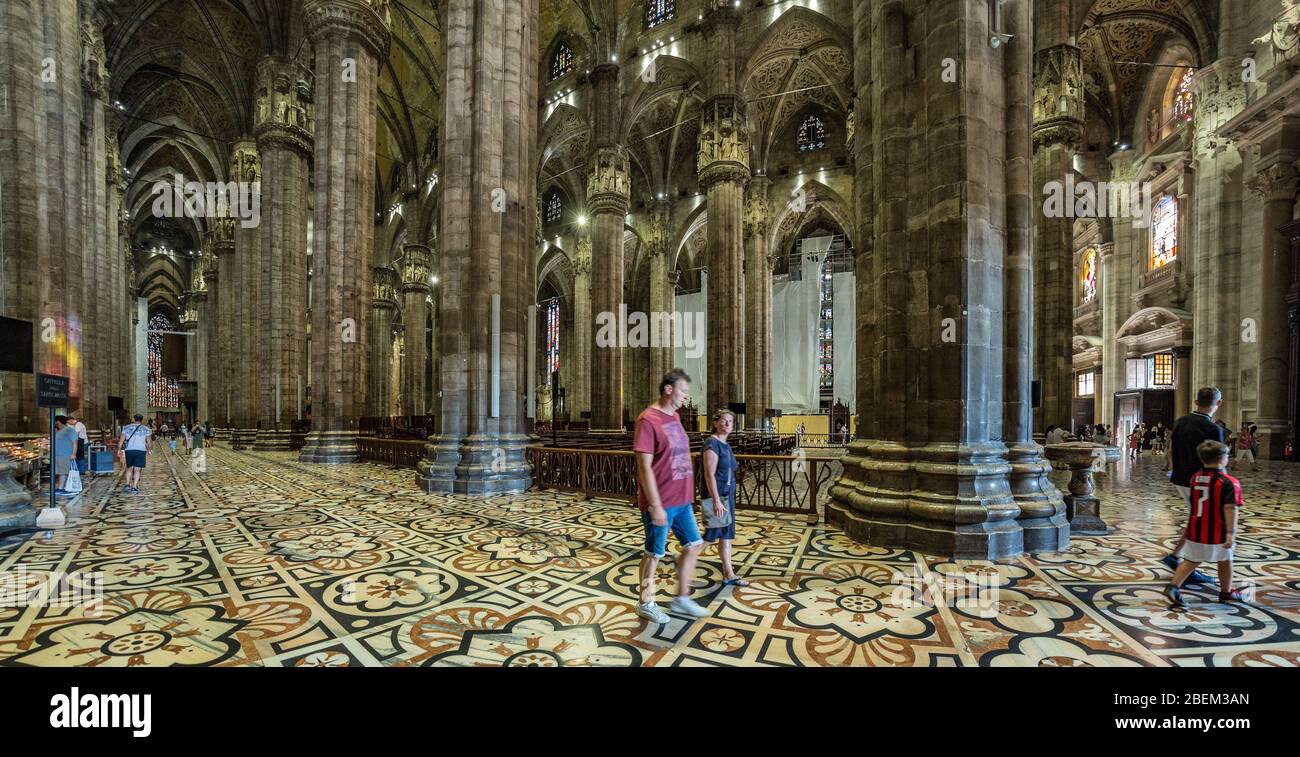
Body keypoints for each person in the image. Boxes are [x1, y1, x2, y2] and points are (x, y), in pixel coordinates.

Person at [632, 368, 710, 624]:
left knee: (694, 545)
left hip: (681, 500)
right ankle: (646, 602)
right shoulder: (648, 420)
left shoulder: (675, 417)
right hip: (661, 502)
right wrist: (654, 505)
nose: (687, 396)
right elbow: (644, 466)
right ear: (668, 390)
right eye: (683, 390)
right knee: (654, 554)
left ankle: (682, 597)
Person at [1164, 441, 1249, 608]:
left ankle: (1173, 587)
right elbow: (1231, 508)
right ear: (1222, 459)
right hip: (1217, 531)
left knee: (1190, 560)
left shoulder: (1196, 477)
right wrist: (1230, 533)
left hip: (1196, 528)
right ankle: (1226, 592)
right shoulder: (1229, 482)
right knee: (1226, 560)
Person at [1164, 387, 1227, 585]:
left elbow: (1172, 449)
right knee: (1202, 522)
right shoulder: (1213, 429)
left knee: (1195, 518)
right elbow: (1218, 459)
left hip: (1181, 478)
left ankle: (1175, 555)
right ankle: (1187, 564)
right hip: (1203, 483)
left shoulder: (1181, 421)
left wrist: (1172, 469)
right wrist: (1225, 485)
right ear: (1218, 403)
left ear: (1195, 400)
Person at [701, 408, 748, 589]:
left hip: (726, 497)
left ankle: (729, 574)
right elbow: (709, 475)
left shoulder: (725, 445)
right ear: (715, 423)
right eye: (724, 420)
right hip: (717, 497)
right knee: (710, 537)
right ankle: (684, 561)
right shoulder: (711, 444)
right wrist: (716, 500)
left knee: (726, 537)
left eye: (731, 421)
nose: (728, 423)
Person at [118, 413, 152, 494]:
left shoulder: (126, 428)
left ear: (134, 419)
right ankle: (134, 486)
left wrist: (119, 450)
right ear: (142, 419)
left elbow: (121, 440)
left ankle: (127, 485)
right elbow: (149, 442)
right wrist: (150, 449)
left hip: (129, 450)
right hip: (140, 450)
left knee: (129, 468)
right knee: (137, 469)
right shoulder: (146, 429)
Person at [51, 415, 79, 497]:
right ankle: (61, 488)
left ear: (58, 421)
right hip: (58, 455)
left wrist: (73, 454)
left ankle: (63, 488)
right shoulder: (60, 431)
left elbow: (75, 442)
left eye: (55, 421)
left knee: (64, 472)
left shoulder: (69, 430)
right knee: (61, 472)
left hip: (66, 455)